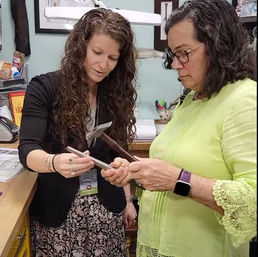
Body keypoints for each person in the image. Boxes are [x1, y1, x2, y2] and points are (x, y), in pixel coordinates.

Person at [101, 1, 257, 257]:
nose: (175, 64)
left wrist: (179, 180)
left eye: (184, 53)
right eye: (173, 55)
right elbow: (172, 171)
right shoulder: (191, 100)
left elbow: (253, 202)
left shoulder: (245, 100)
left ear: (219, 47)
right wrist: (137, 173)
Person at [18, 8, 137, 257]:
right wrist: (53, 162)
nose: (103, 64)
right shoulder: (44, 88)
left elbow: (120, 154)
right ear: (81, 45)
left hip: (105, 214)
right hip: (59, 217)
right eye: (97, 52)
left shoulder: (115, 94)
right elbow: (27, 150)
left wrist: (128, 200)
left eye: (113, 58)